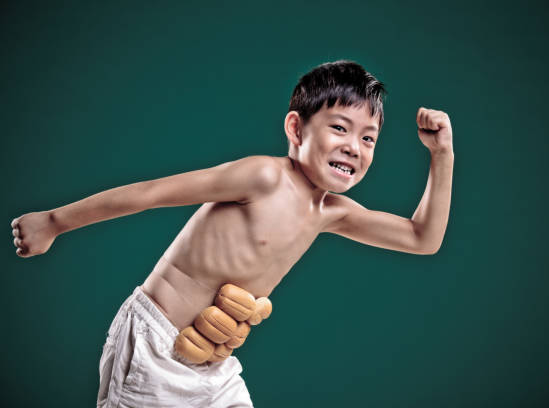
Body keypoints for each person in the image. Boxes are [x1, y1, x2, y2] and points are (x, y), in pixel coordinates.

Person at [10, 60, 454, 407]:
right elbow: (152, 193)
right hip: (157, 345)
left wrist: (441, 155)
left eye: (369, 138)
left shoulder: (332, 212)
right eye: (339, 127)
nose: (353, 147)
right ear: (296, 128)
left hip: (212, 362)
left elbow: (421, 238)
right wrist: (54, 221)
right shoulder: (264, 177)